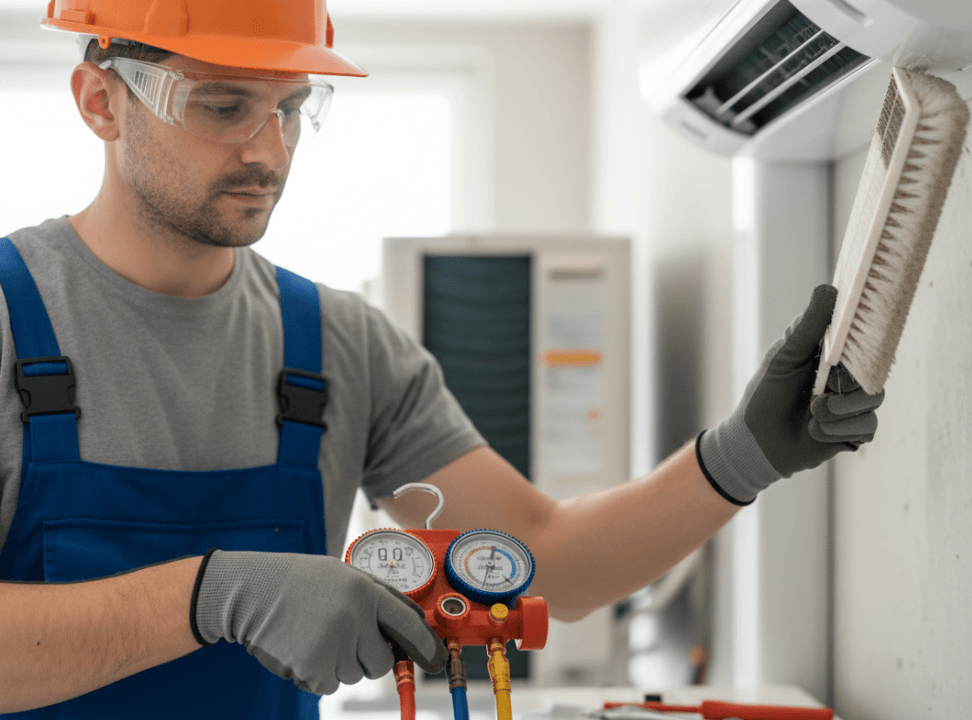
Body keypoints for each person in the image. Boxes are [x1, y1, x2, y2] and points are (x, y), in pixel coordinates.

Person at [0, 0, 884, 716]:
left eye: (292, 109)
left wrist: (742, 456)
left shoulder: (340, 344)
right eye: (223, 105)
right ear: (99, 102)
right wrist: (211, 596)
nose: (267, 151)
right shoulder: (10, 318)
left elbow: (549, 562)